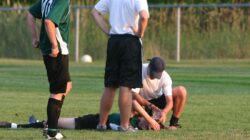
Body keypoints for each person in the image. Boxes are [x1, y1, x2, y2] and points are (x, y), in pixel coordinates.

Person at [91, 0, 149, 132]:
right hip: (130, 42)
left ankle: (101, 124)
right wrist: (140, 33)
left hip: (114, 41)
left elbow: (95, 12)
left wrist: (108, 31)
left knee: (110, 85)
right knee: (126, 86)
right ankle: (124, 125)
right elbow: (144, 16)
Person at [27, 0, 72, 139]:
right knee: (57, 92)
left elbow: (29, 13)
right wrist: (54, 45)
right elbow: (49, 21)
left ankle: (51, 122)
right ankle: (52, 132)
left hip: (50, 51)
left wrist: (35, 37)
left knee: (67, 85)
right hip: (57, 52)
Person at [0, 100, 161, 131]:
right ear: (141, 117)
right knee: (52, 122)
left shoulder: (134, 129)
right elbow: (132, 102)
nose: (146, 127)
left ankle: (18, 125)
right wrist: (150, 119)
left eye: (148, 128)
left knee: (53, 123)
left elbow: (114, 127)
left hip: (94, 124)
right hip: (93, 120)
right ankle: (17, 125)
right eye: (147, 124)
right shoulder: (132, 116)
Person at [132, 57, 187, 130]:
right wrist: (149, 105)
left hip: (157, 100)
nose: (153, 77)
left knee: (181, 91)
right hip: (142, 103)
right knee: (131, 100)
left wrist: (164, 112)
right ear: (149, 66)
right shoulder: (139, 71)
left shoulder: (165, 77)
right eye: (152, 73)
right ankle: (138, 120)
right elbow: (134, 94)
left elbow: (169, 101)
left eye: (156, 75)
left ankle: (173, 123)